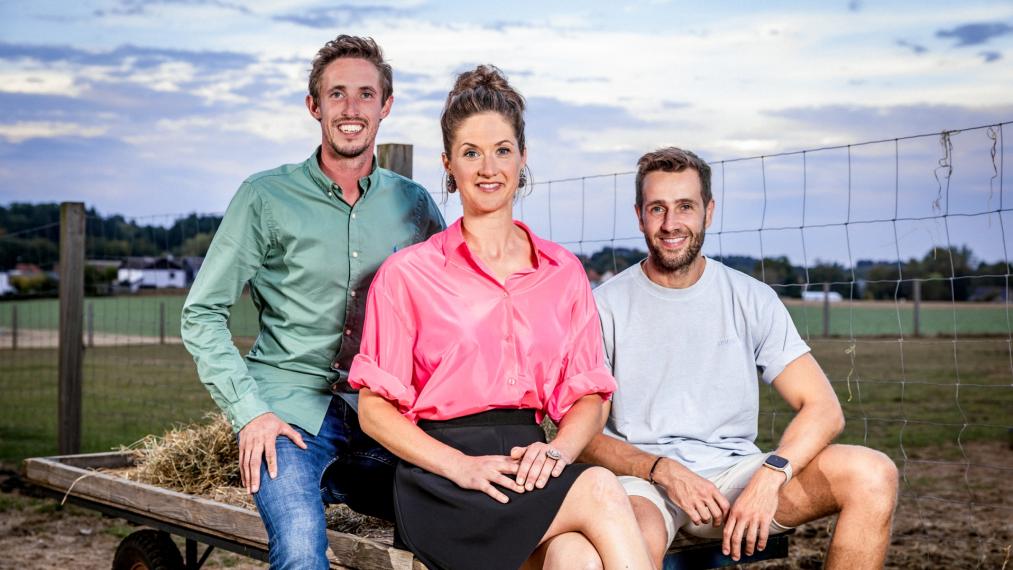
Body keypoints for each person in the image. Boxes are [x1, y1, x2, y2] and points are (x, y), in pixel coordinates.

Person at [347, 65, 655, 570]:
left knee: (574, 556)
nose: (488, 167)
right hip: (442, 478)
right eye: (471, 153)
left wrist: (559, 452)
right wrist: (460, 468)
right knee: (599, 487)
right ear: (449, 165)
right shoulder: (408, 274)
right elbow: (375, 409)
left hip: (531, 466)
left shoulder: (563, 273)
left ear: (523, 158)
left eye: (502, 150)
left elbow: (591, 396)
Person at [180, 35, 444, 569]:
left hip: (381, 416)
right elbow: (201, 313)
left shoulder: (413, 205)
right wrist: (249, 413)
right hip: (288, 417)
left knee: (456, 521)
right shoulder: (264, 197)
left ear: (385, 106)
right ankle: (315, 485)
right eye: (337, 94)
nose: (351, 109)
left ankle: (342, 482)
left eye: (366, 94)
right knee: (301, 548)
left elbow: (446, 309)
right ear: (314, 106)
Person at [577, 147, 899, 569]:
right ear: (640, 216)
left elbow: (823, 409)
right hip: (646, 482)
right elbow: (586, 437)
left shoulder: (751, 298)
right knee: (630, 544)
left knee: (873, 474)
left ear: (708, 212)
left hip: (736, 476)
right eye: (658, 208)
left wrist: (770, 476)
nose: (671, 223)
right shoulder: (603, 306)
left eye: (685, 207)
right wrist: (663, 470)